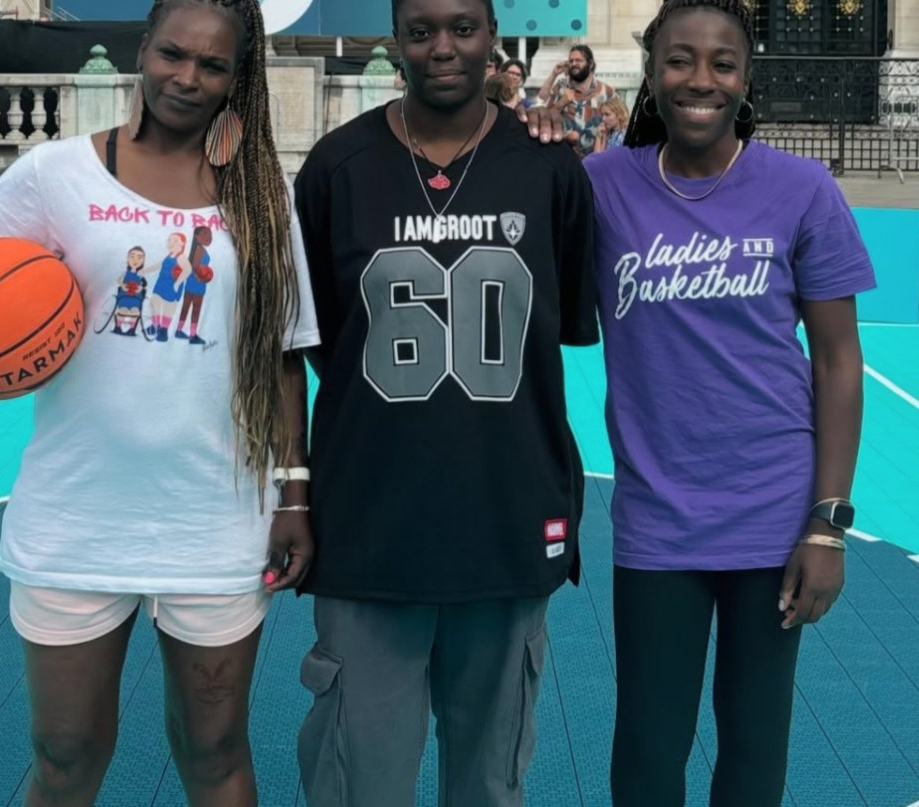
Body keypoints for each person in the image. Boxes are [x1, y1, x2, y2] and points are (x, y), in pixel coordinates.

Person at [0, 1, 319, 805]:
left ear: (239, 78)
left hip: (215, 520)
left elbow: (284, 358)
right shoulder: (55, 174)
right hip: (75, 518)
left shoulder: (263, 196)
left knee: (215, 750)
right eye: (172, 54)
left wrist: (293, 493)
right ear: (142, 49)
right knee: (65, 755)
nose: (186, 77)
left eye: (212, 65)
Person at [292, 0, 598, 805]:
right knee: (359, 784)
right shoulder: (337, 166)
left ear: (492, 35)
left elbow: (559, 323)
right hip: (370, 521)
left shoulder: (550, 167)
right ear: (396, 39)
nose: (443, 47)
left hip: (507, 512)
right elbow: (317, 339)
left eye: (463, 28)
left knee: (490, 783)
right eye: (421, 30)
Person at [581, 1, 875, 805]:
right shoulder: (601, 187)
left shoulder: (802, 189)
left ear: (746, 78)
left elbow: (838, 361)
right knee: (648, 749)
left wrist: (827, 523)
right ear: (651, 74)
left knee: (753, 745)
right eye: (679, 60)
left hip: (773, 516)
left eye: (722, 62)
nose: (700, 79)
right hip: (658, 518)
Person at [537, 44, 615, 156]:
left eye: (579, 60)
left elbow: (621, 121)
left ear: (591, 64)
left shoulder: (606, 91)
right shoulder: (561, 88)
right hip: (563, 157)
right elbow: (544, 109)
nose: (574, 64)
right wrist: (561, 102)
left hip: (595, 159)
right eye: (571, 61)